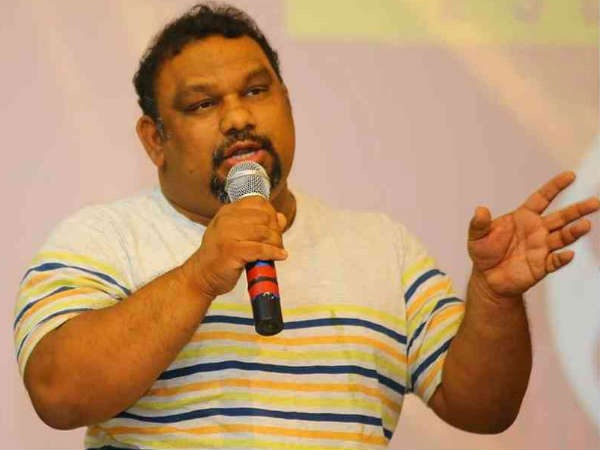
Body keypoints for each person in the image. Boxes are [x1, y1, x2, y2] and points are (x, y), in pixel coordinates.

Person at [14, 3, 599, 450]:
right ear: (154, 139)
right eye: (202, 105)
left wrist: (494, 297)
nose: (239, 117)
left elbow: (483, 409)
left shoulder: (381, 246)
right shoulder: (102, 239)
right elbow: (58, 394)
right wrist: (200, 275)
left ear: (287, 101)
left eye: (256, 91)